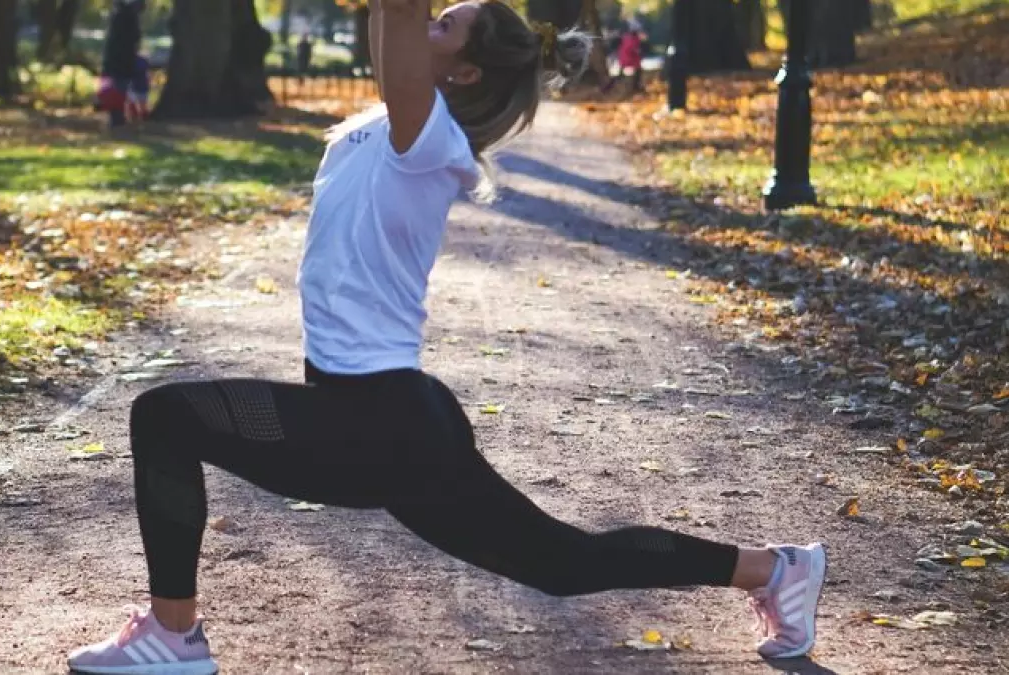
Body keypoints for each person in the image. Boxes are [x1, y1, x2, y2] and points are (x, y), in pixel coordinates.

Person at [67, 2, 827, 673]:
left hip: (375, 421)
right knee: (561, 561)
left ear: (461, 73)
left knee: (164, 418)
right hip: (383, 417)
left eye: (444, 23)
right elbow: (387, 25)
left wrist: (404, 17)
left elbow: (397, 16)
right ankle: (773, 570)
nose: (424, 24)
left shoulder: (426, 136)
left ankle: (174, 637)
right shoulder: (389, 119)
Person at [100, 0, 145, 128]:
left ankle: (117, 117)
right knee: (121, 89)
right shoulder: (130, 18)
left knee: (118, 89)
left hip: (117, 60)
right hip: (125, 60)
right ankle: (118, 117)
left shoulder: (118, 16)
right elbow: (135, 38)